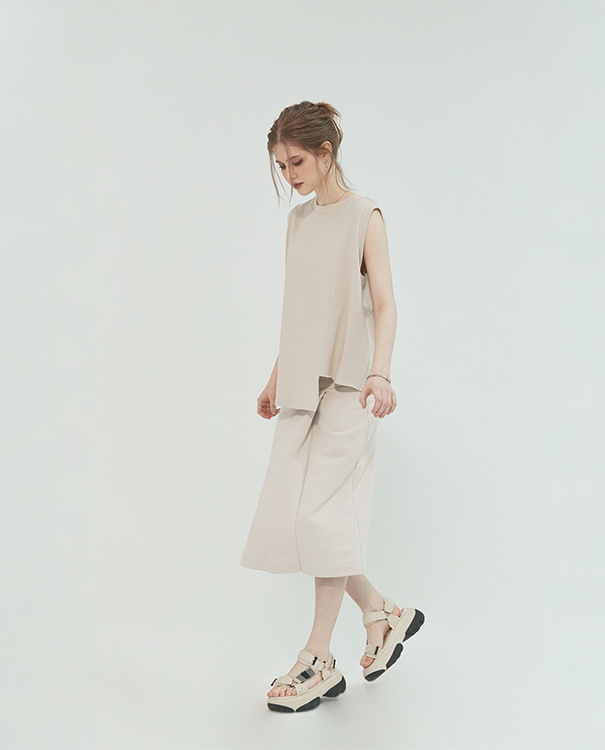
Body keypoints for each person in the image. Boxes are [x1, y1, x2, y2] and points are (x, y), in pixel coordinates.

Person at [240, 101, 424, 713]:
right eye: (280, 165)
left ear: (325, 152)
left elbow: (386, 303)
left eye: (296, 162)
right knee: (302, 518)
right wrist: (275, 378)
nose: (289, 174)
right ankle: (382, 612)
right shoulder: (298, 222)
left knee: (319, 517)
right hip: (300, 386)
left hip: (350, 386)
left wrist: (380, 372)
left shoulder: (364, 216)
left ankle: (317, 657)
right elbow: (301, 309)